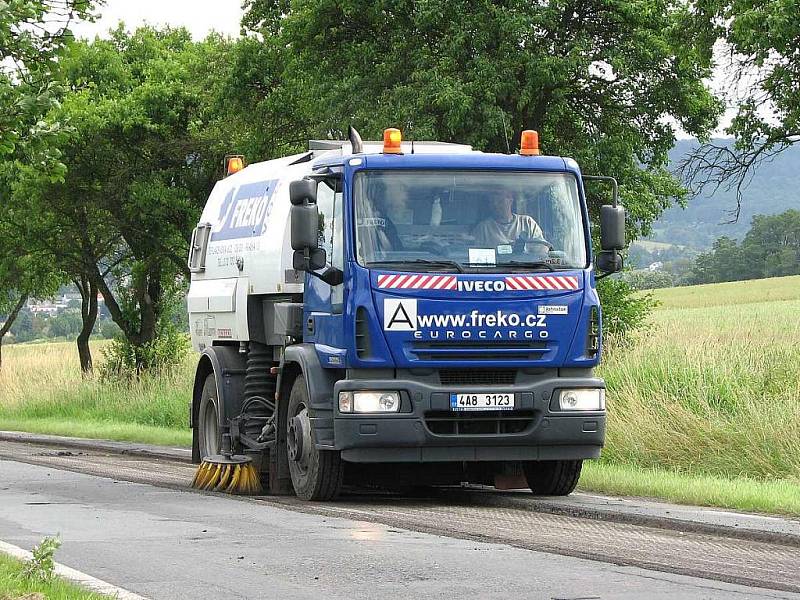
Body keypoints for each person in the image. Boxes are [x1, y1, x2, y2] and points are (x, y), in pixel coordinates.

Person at [473, 189, 543, 248]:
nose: (495, 205)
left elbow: (542, 249)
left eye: (500, 201)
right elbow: (477, 254)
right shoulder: (483, 228)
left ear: (510, 200)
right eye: (492, 202)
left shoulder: (527, 222)